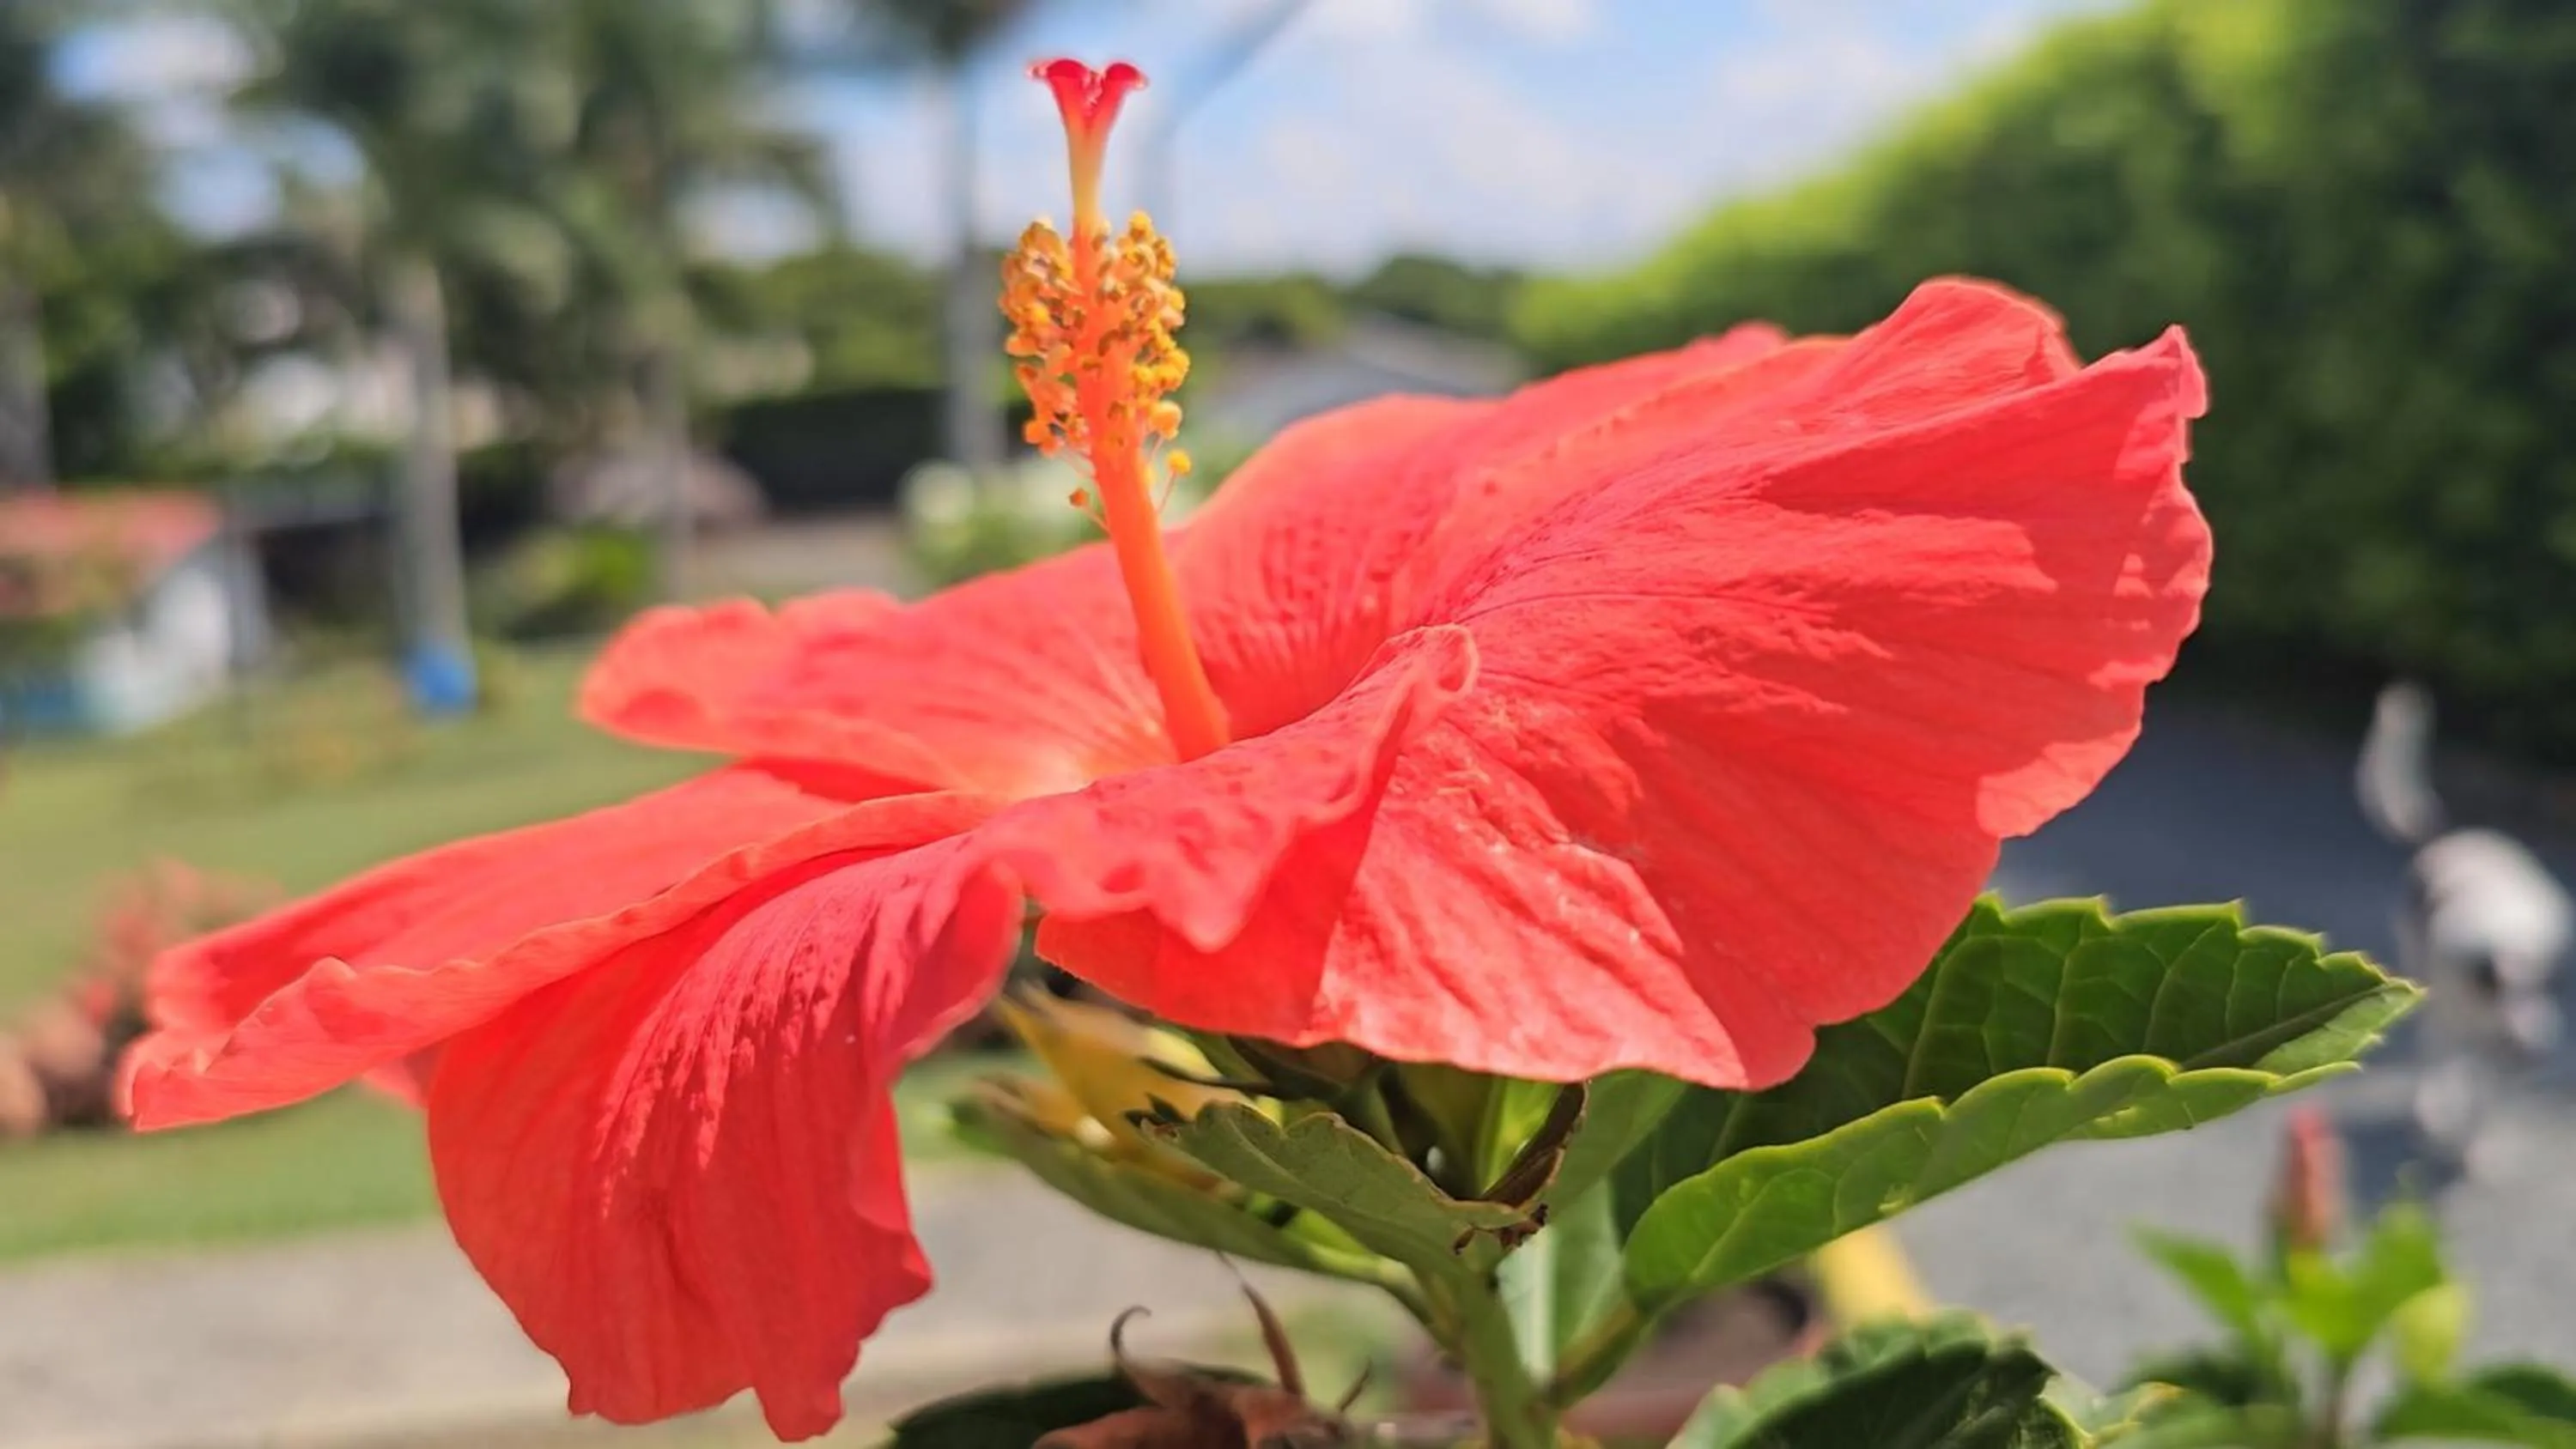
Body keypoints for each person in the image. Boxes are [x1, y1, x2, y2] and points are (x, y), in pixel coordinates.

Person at [2358, 681, 2570, 1171]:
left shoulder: (2549, 922)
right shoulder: (2453, 945)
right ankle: (2433, 1107)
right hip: (2438, 894)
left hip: (2478, 880)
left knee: (2479, 1048)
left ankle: (2462, 1128)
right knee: (2440, 1028)